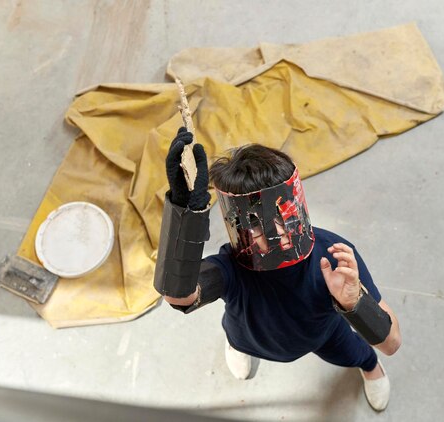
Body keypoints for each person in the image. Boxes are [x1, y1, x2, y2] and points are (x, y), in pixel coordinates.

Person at [154, 127, 402, 411]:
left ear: (296, 204)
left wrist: (355, 302)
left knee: (359, 354)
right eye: (256, 222)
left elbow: (392, 343)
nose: (276, 232)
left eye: (281, 214)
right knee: (237, 340)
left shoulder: (334, 257)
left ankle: (372, 368)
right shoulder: (230, 266)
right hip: (247, 336)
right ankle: (236, 347)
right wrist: (184, 218)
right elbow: (179, 296)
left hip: (322, 335)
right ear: (237, 222)